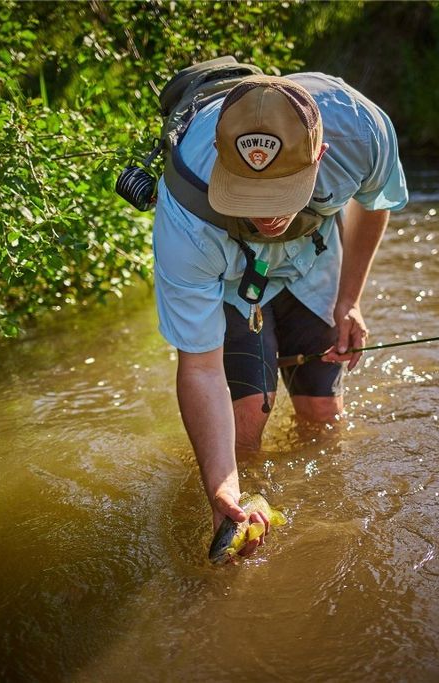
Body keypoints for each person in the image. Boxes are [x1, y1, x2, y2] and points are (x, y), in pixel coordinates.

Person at [152, 72, 408, 558]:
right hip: (233, 279)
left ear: (320, 156)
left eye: (280, 195)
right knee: (247, 419)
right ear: (222, 159)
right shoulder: (185, 217)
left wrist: (350, 300)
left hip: (312, 264)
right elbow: (200, 368)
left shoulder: (362, 132)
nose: (267, 216)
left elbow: (375, 204)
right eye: (248, 197)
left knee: (323, 414)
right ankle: (239, 511)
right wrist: (221, 491)